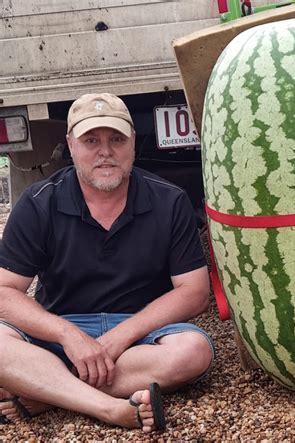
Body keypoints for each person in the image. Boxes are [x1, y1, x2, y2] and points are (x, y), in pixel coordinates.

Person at [0, 93, 214, 432]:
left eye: (116, 138)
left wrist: (120, 336)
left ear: (133, 142)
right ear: (70, 145)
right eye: (91, 140)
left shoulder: (169, 200)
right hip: (61, 328)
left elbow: (195, 292)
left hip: (140, 334)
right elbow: (5, 294)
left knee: (193, 351)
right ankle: (109, 408)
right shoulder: (39, 202)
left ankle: (46, 388)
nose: (105, 151)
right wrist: (67, 334)